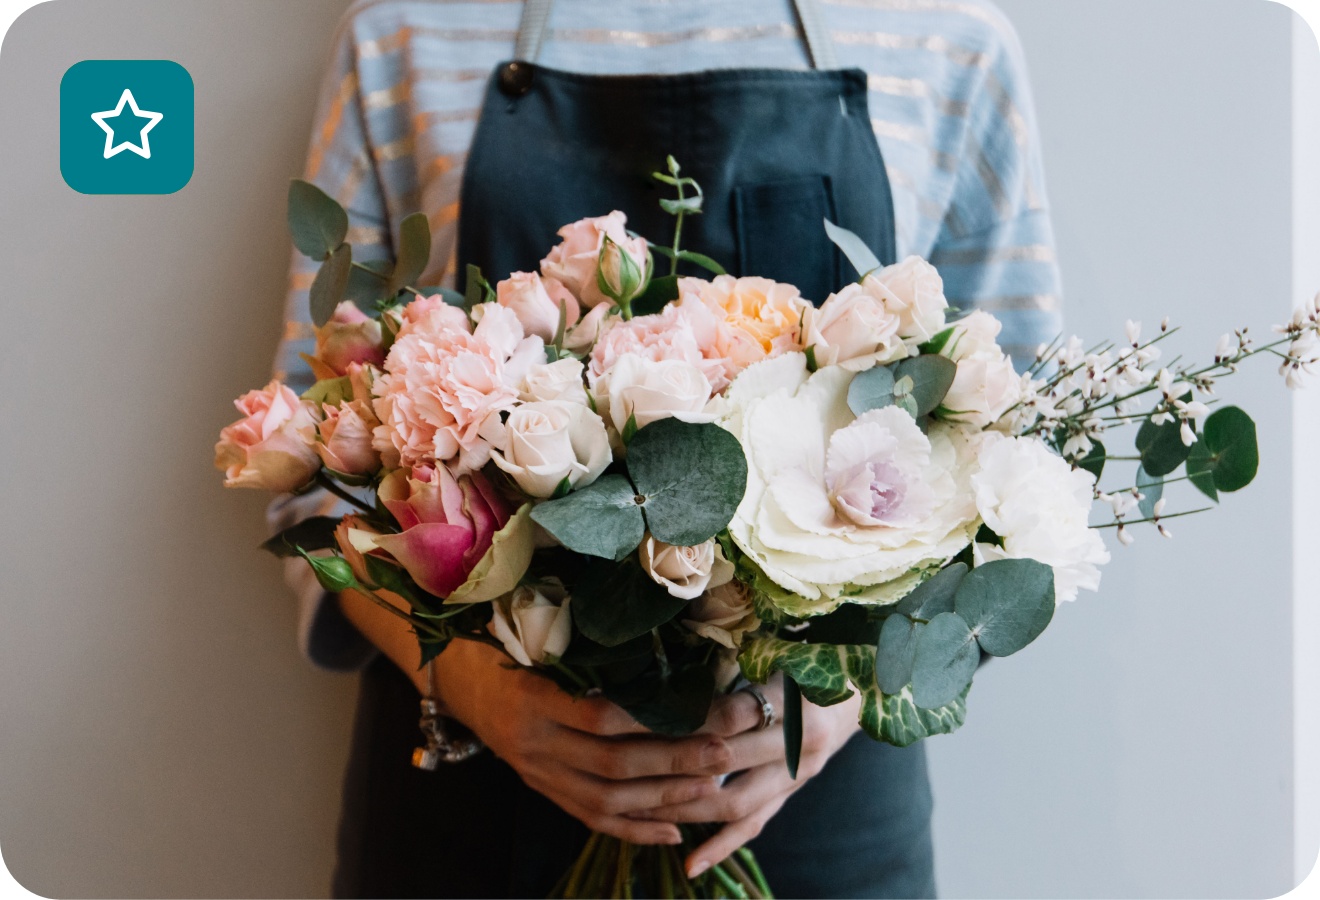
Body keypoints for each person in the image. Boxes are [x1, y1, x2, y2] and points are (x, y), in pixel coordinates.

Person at [269, 0, 1063, 896]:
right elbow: (312, 476)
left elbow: (1027, 461)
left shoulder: (947, 39)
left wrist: (835, 703)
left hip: (822, 816)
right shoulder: (407, 34)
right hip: (479, 810)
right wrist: (471, 685)